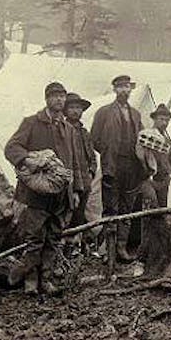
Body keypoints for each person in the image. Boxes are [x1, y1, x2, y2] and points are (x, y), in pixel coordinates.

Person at [5, 82, 78, 295]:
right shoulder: (32, 123)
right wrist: (29, 159)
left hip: (60, 195)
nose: (59, 100)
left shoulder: (68, 129)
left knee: (54, 237)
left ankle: (46, 279)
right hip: (36, 194)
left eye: (62, 96)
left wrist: (74, 190)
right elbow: (11, 148)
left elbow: (74, 163)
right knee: (35, 238)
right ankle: (30, 280)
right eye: (55, 96)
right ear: (46, 99)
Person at [90, 75, 144, 263]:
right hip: (112, 166)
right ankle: (108, 250)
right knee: (110, 209)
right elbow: (94, 139)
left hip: (132, 167)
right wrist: (108, 152)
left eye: (127, 87)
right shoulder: (103, 112)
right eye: (120, 87)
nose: (124, 90)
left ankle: (121, 247)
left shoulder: (136, 114)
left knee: (127, 209)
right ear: (114, 90)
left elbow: (142, 140)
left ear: (131, 90)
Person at [64, 92, 97, 244]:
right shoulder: (61, 131)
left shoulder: (85, 133)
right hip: (68, 181)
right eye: (72, 107)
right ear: (65, 110)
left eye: (78, 107)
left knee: (80, 212)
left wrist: (91, 172)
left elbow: (92, 156)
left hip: (85, 181)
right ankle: (65, 245)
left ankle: (76, 245)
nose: (76, 111)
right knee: (67, 213)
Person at [138, 104, 171, 210]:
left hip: (164, 180)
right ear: (155, 119)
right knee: (152, 206)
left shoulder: (166, 140)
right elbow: (140, 157)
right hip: (150, 179)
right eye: (161, 119)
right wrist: (147, 175)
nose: (164, 123)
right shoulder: (147, 137)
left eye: (167, 120)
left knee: (163, 208)